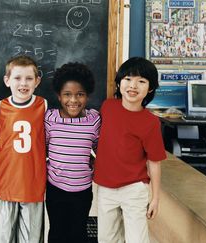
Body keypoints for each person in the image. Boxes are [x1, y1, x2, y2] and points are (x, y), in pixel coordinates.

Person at [94, 57, 166, 243]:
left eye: (141, 81)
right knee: (106, 238)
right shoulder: (107, 107)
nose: (133, 85)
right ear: (119, 83)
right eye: (127, 79)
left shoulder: (151, 122)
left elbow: (154, 162)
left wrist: (155, 198)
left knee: (136, 239)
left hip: (134, 189)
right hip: (105, 187)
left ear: (150, 88)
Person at [44, 62, 101, 243]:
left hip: (83, 190)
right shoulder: (50, 119)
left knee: (78, 234)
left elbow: (99, 148)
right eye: (67, 94)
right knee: (57, 234)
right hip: (55, 188)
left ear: (87, 96)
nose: (74, 100)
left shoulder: (93, 120)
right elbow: (42, 148)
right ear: (59, 96)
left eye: (80, 95)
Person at [0, 55, 47, 243]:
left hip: (33, 183)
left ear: (37, 81)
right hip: (5, 182)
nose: (23, 83)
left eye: (29, 78)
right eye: (17, 78)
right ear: (7, 80)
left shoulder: (44, 106)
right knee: (3, 237)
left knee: (31, 238)